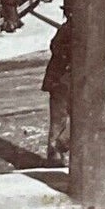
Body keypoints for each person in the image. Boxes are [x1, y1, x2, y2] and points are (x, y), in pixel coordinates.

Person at [42, 10, 72, 165]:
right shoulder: (73, 29)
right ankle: (59, 147)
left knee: (57, 120)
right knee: (72, 118)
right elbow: (59, 51)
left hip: (58, 81)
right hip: (65, 80)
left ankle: (55, 155)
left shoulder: (64, 29)